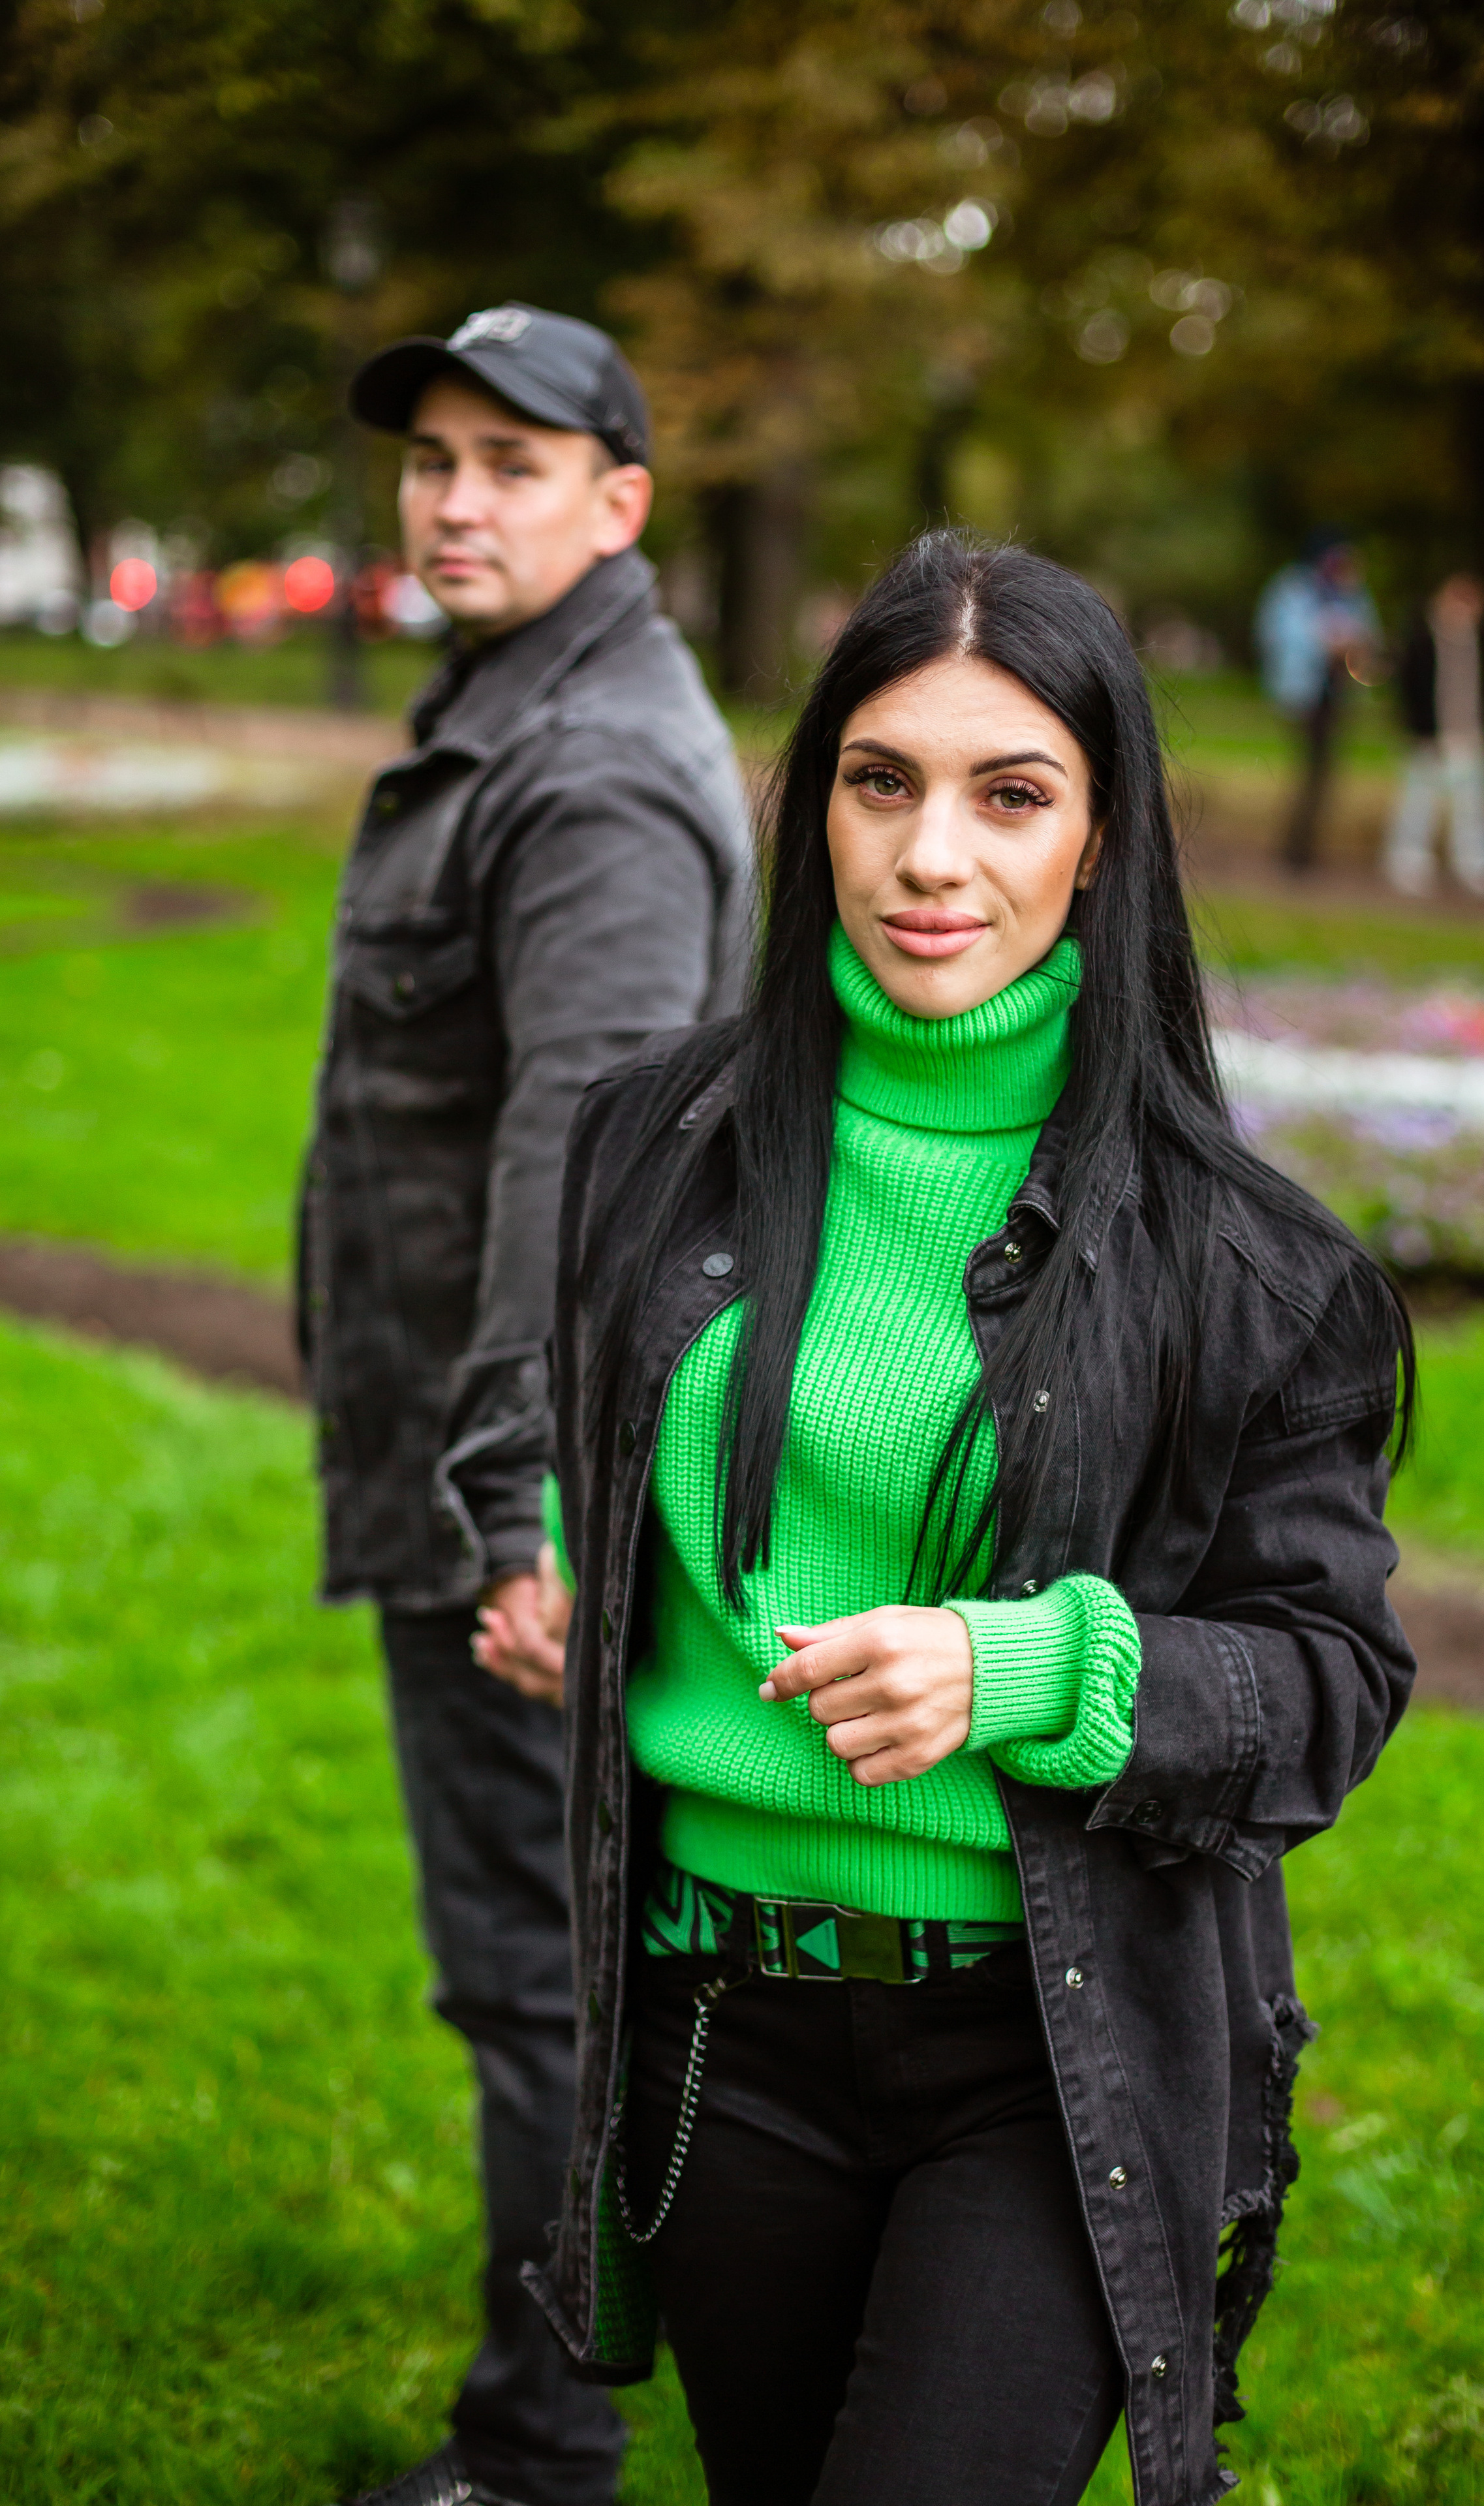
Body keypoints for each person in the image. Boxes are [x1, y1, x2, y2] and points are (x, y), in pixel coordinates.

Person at [485, 533, 1416, 2506]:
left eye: (1009, 795)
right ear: (813, 801)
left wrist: (1025, 1666)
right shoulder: (648, 1142)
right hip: (715, 2020)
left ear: (1100, 837)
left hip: (1041, 2052)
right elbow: (625, 1445)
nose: (929, 855)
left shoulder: (1245, 1265)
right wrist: (583, 1571)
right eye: (879, 780)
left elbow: (1328, 1680)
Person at [299, 302, 752, 2506]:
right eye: (431, 460)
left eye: (512, 462)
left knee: (532, 1967)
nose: (455, 501)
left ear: (621, 501)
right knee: (552, 1955)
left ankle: (544, 2447)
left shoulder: (590, 779)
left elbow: (583, 1181)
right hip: (479, 1460)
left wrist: (522, 1519)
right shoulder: (519, 713)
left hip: (514, 1497)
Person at [1254, 527, 1382, 873]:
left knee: (1323, 774)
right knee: (1310, 770)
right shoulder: (1292, 589)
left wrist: (1354, 645)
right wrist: (1324, 642)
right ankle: (1296, 849)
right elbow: (1276, 636)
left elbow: (1369, 636)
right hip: (1303, 693)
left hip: (1338, 695)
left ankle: (1305, 846)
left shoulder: (1353, 593)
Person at [1381, 572, 1484, 899]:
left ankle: (1474, 862)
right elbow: (1412, 690)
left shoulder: (1475, 642)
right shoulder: (1424, 640)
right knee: (1419, 803)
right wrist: (1424, 731)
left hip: (1468, 734)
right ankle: (1407, 860)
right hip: (1432, 736)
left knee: (1472, 806)